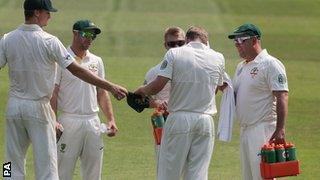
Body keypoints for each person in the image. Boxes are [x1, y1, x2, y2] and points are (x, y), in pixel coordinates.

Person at [0, 0, 127, 179]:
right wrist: (110, 86)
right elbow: (75, 70)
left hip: (14, 107)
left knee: (10, 161)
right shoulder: (50, 41)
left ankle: (7, 177)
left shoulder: (7, 39)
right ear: (37, 12)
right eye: (47, 12)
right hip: (39, 108)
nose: (50, 16)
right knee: (48, 163)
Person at [135, 26, 225, 180]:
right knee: (198, 174)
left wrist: (140, 91)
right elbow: (215, 89)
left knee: (169, 173)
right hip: (205, 120)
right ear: (206, 41)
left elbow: (158, 84)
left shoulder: (174, 54)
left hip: (179, 118)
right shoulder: (218, 57)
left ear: (187, 40)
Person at [50, 19, 117, 180]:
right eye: (86, 34)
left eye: (93, 36)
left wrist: (111, 119)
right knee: (62, 172)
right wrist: (53, 120)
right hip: (68, 121)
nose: (89, 39)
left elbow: (102, 92)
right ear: (75, 33)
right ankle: (8, 173)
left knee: (93, 174)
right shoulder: (61, 59)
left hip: (92, 121)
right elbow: (53, 92)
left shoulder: (96, 61)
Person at [228, 23, 289, 180]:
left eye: (241, 40)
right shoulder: (241, 66)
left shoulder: (270, 64)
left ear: (254, 40)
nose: (237, 45)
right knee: (248, 177)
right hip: (245, 129)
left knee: (263, 176)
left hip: (263, 130)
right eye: (235, 41)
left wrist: (280, 128)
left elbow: (282, 96)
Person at [144, 26, 185, 168]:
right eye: (171, 44)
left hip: (189, 123)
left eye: (180, 43)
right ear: (165, 46)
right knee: (165, 169)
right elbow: (142, 99)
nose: (176, 47)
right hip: (165, 125)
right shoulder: (155, 72)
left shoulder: (195, 68)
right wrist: (157, 103)